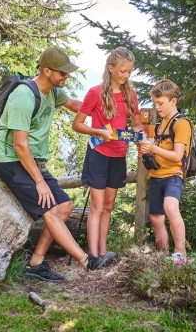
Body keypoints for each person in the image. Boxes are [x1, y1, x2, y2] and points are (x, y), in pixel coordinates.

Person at [0, 47, 114, 283]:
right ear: (46, 71)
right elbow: (19, 145)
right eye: (62, 73)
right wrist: (39, 182)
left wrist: (110, 113)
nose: (67, 76)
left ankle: (35, 264)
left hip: (32, 161)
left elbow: (78, 107)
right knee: (50, 208)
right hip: (10, 160)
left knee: (65, 205)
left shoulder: (53, 93)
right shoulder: (23, 96)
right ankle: (88, 262)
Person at [72, 47, 144, 265]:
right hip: (98, 154)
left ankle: (103, 253)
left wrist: (138, 134)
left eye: (129, 72)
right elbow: (77, 124)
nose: (126, 75)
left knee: (109, 205)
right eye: (122, 71)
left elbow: (138, 123)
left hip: (118, 155)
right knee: (97, 206)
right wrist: (99, 131)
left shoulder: (130, 94)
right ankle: (92, 257)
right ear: (110, 69)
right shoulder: (95, 93)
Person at [137, 79, 191, 266]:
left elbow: (177, 156)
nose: (157, 107)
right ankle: (164, 257)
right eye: (155, 104)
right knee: (156, 217)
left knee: (170, 207)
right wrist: (148, 150)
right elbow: (159, 150)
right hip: (156, 175)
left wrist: (153, 148)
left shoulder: (181, 123)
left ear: (173, 101)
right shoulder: (162, 123)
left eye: (160, 103)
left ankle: (180, 254)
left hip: (173, 175)